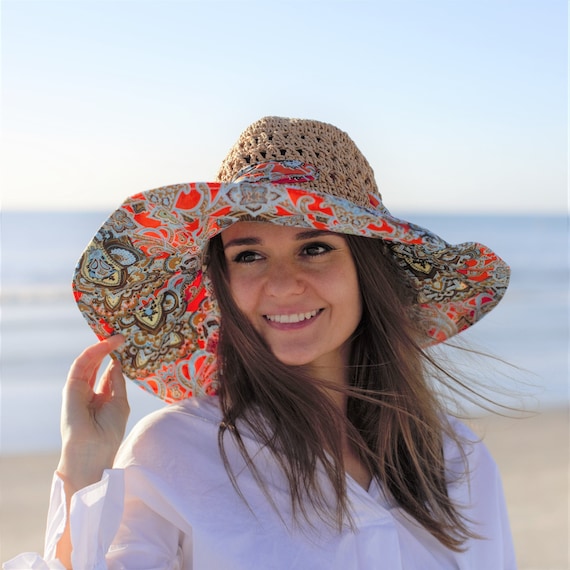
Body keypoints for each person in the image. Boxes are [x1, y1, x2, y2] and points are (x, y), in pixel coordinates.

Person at [4, 117, 516, 569]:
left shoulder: (456, 456)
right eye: (248, 256)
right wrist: (84, 469)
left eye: (314, 247)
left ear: (368, 269)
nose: (281, 284)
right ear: (222, 280)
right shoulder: (173, 452)